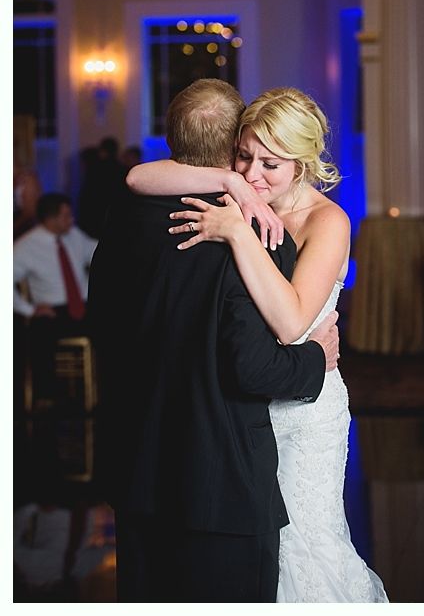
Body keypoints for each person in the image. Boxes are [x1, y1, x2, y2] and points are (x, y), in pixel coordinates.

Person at [125, 85, 388, 602]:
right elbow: (137, 177)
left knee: (305, 549)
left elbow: (291, 325)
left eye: (270, 163)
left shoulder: (326, 221)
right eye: (244, 155)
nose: (252, 173)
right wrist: (228, 183)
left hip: (304, 413)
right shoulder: (241, 193)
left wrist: (238, 233)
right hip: (247, 408)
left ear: (303, 163)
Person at [14, 193, 98, 408]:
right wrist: (29, 309)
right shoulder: (25, 246)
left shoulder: (74, 235)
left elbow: (98, 252)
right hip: (54, 310)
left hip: (85, 305)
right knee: (40, 331)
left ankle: (110, 390)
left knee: (119, 324)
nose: (72, 220)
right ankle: (47, 397)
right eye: (66, 216)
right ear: (50, 219)